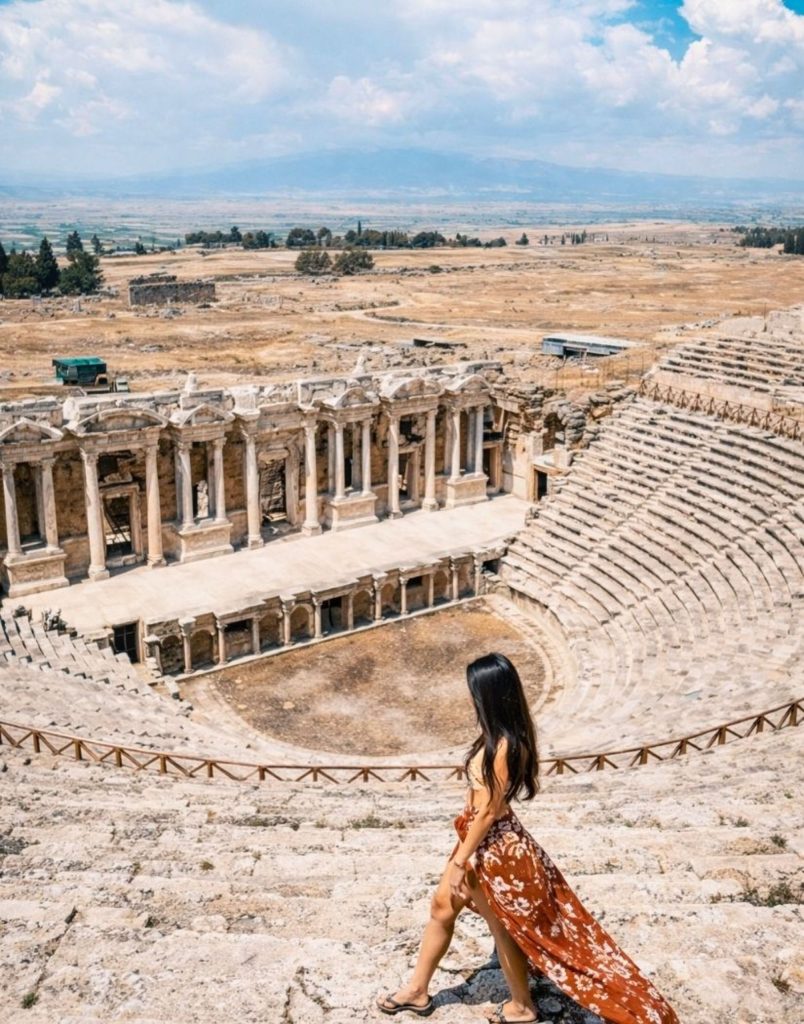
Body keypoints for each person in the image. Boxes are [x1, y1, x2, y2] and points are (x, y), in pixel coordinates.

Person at [376, 652, 680, 1024]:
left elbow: (488, 810)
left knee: (502, 927)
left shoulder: (502, 746)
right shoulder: (499, 736)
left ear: (489, 695)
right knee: (442, 906)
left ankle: (521, 1007)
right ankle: (418, 991)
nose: (471, 698)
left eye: (475, 691)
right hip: (477, 838)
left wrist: (460, 862)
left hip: (493, 849)